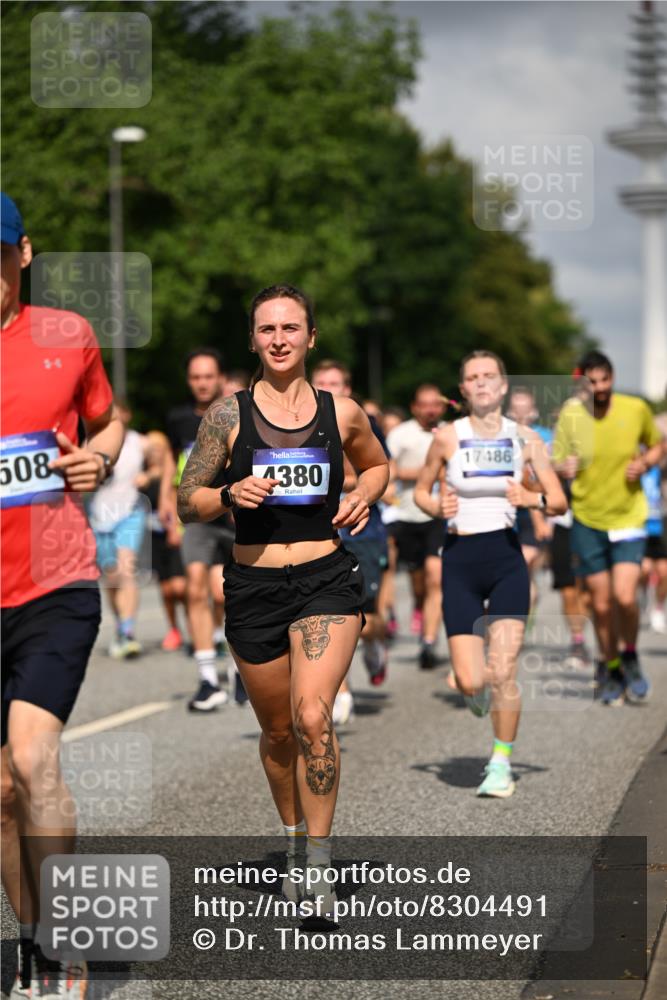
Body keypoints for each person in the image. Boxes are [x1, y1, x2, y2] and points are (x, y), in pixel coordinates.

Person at [177, 284, 388, 913]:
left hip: (326, 579)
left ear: (311, 337)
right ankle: (294, 837)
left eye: (290, 328)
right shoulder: (226, 416)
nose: (278, 339)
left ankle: (318, 867)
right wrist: (228, 494)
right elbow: (188, 500)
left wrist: (366, 495)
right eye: (266, 329)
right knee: (276, 734)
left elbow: (376, 465)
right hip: (253, 586)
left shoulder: (341, 412)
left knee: (313, 716)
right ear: (253, 339)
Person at [1, 192, 124, 997]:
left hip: (57, 582)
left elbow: (107, 422)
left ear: (22, 253)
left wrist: (100, 459)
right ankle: (34, 937)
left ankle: (69, 938)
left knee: (31, 758)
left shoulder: (65, 336)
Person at [415, 350, 566, 798]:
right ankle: (474, 693)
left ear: (502, 386)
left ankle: (501, 763)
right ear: (463, 390)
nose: (481, 383)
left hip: (505, 560)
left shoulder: (525, 439)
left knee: (502, 672)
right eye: (472, 378)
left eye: (489, 377)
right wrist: (433, 506)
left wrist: (531, 499)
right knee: (470, 681)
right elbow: (421, 492)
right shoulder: (446, 437)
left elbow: (557, 500)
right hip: (459, 560)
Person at [553, 351, 665, 705]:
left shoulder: (635, 409)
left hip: (629, 516)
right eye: (592, 382)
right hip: (587, 518)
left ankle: (630, 653)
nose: (600, 388)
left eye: (605, 380)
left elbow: (658, 445)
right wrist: (564, 467)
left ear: (612, 378)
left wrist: (646, 462)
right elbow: (554, 461)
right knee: (600, 605)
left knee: (625, 597)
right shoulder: (571, 415)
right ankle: (611, 664)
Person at [311, 360, 391, 724]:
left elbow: (376, 472)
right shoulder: (298, 422)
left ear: (348, 387)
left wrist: (336, 480)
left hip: (362, 531)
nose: (328, 387)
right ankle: (339, 688)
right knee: (328, 615)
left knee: (365, 617)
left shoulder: (362, 423)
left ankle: (375, 642)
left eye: (335, 382)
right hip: (321, 534)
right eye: (321, 382)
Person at [160, 348, 233, 710]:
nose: (203, 383)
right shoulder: (178, 420)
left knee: (225, 595)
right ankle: (207, 678)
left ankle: (240, 668)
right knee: (194, 590)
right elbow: (173, 468)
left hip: (236, 515)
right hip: (198, 518)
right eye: (196, 377)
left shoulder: (238, 414)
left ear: (220, 377)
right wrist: (168, 508)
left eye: (208, 376)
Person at [386, 385, 446, 669]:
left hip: (438, 514)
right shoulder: (400, 435)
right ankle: (421, 610)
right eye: (425, 405)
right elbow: (390, 470)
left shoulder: (449, 433)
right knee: (419, 583)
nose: (431, 410)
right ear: (414, 407)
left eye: (436, 404)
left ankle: (429, 642)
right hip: (407, 515)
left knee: (436, 577)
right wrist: (429, 472)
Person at [89, 399, 149, 659]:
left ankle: (128, 631)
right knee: (111, 579)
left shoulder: (140, 442)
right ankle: (120, 627)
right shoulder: (90, 443)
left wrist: (151, 474)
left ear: (126, 414)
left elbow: (165, 460)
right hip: (100, 517)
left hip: (130, 513)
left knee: (127, 569)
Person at [138, 430, 188, 650]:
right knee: (166, 589)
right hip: (152, 537)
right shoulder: (141, 475)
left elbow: (176, 497)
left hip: (173, 532)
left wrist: (175, 529)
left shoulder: (172, 473)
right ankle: (173, 629)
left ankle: (196, 626)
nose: (154, 453)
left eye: (158, 448)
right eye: (151, 449)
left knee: (180, 587)